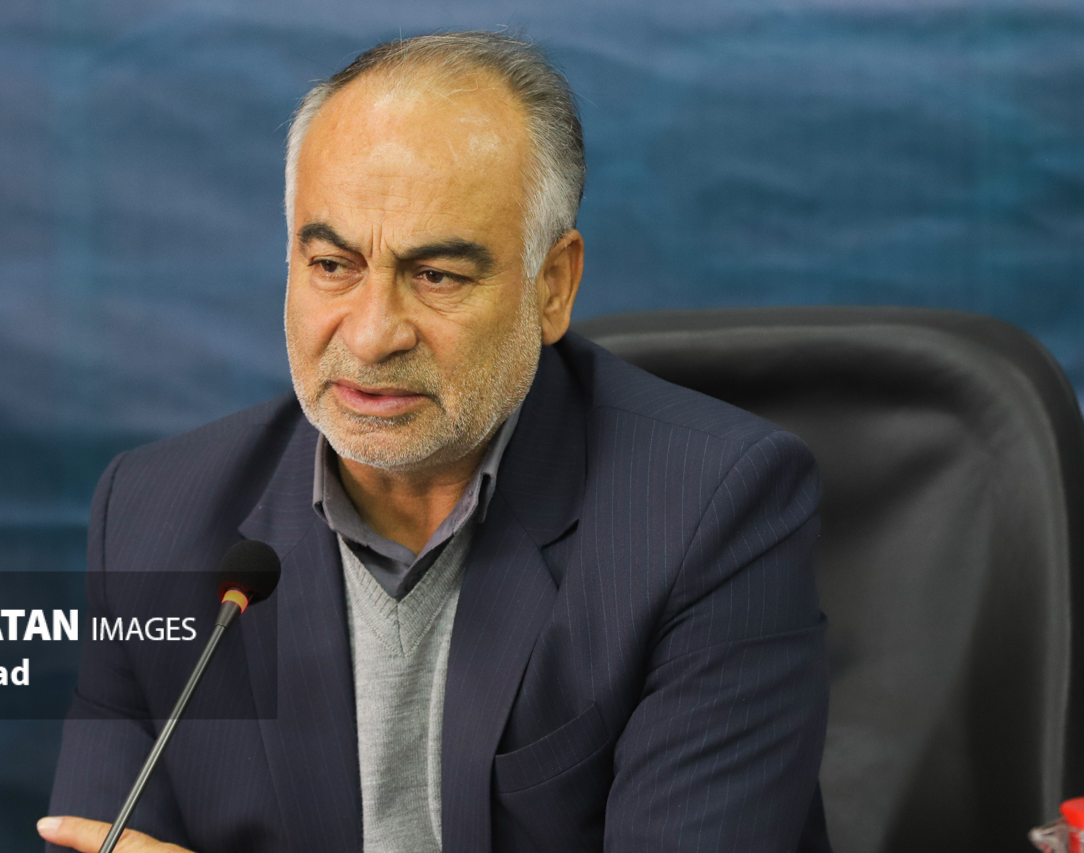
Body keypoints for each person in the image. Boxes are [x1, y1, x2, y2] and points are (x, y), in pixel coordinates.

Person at [41, 32, 831, 853]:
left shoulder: (711, 510)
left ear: (551, 285)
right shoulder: (153, 514)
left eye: (437, 276)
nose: (372, 334)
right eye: (332, 264)